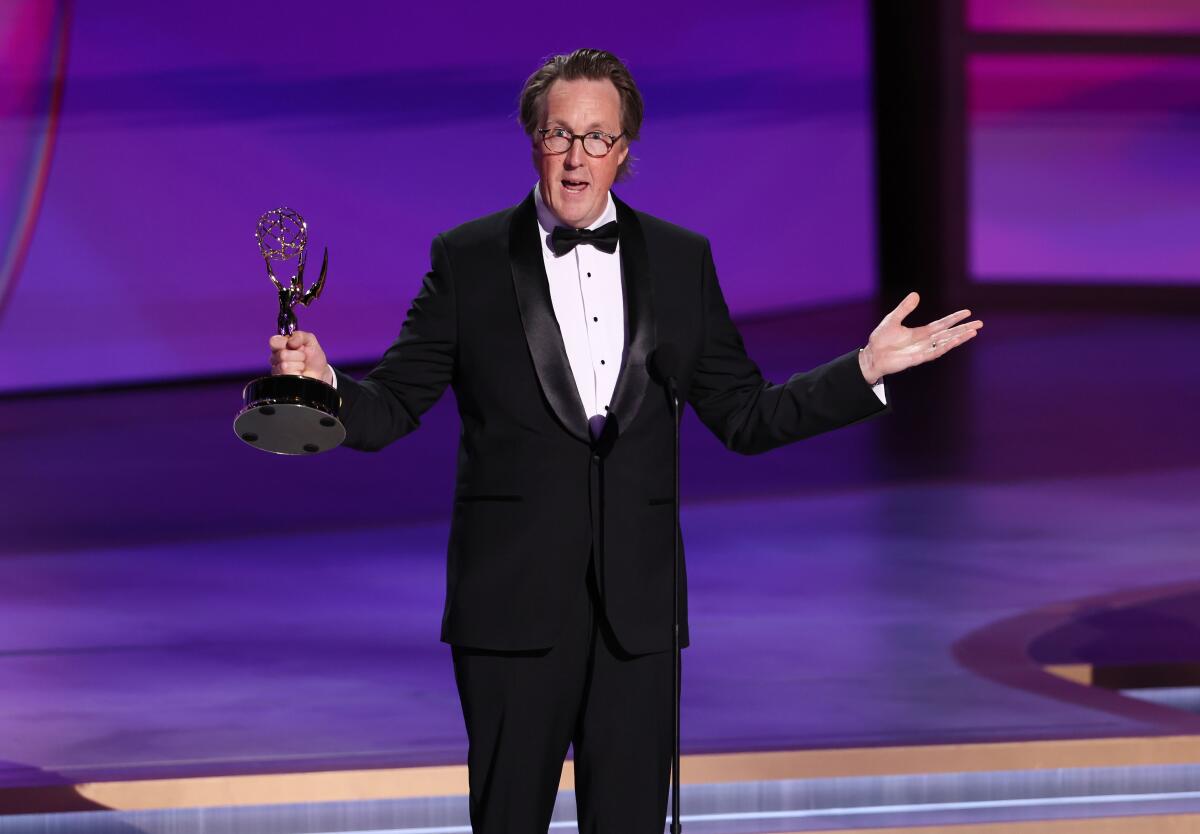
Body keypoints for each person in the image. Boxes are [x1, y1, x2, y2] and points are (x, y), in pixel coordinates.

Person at [268, 48, 982, 834]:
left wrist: (863, 368)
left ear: (624, 150)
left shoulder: (680, 261)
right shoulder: (466, 260)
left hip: (637, 620)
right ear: (533, 141)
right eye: (559, 135)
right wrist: (327, 386)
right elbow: (395, 405)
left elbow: (746, 415)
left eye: (596, 138)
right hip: (510, 613)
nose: (576, 157)